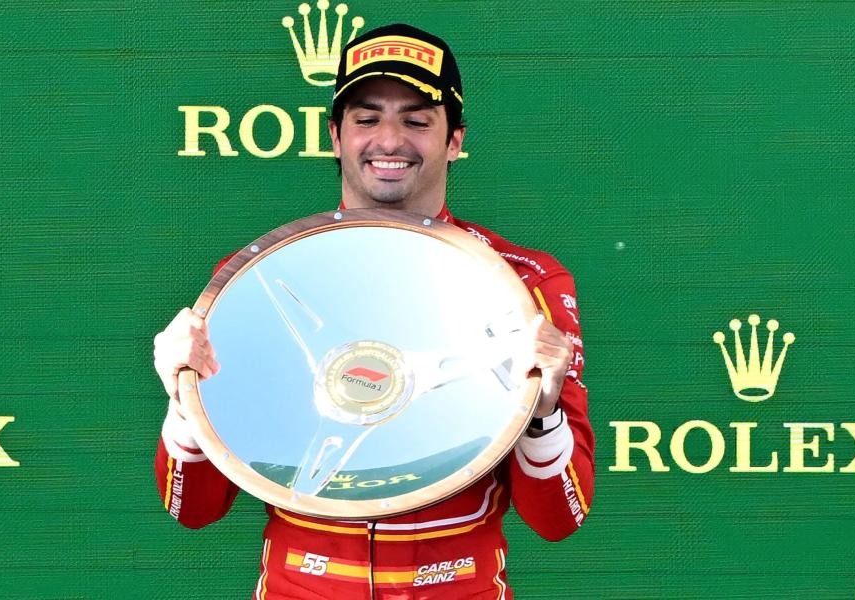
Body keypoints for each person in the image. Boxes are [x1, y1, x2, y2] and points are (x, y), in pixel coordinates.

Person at [153, 24, 594, 600]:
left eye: (416, 120)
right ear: (335, 136)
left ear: (455, 139)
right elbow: (193, 509)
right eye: (366, 119)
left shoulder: (525, 283)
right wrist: (184, 405)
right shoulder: (259, 280)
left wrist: (543, 413)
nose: (389, 140)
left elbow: (561, 518)